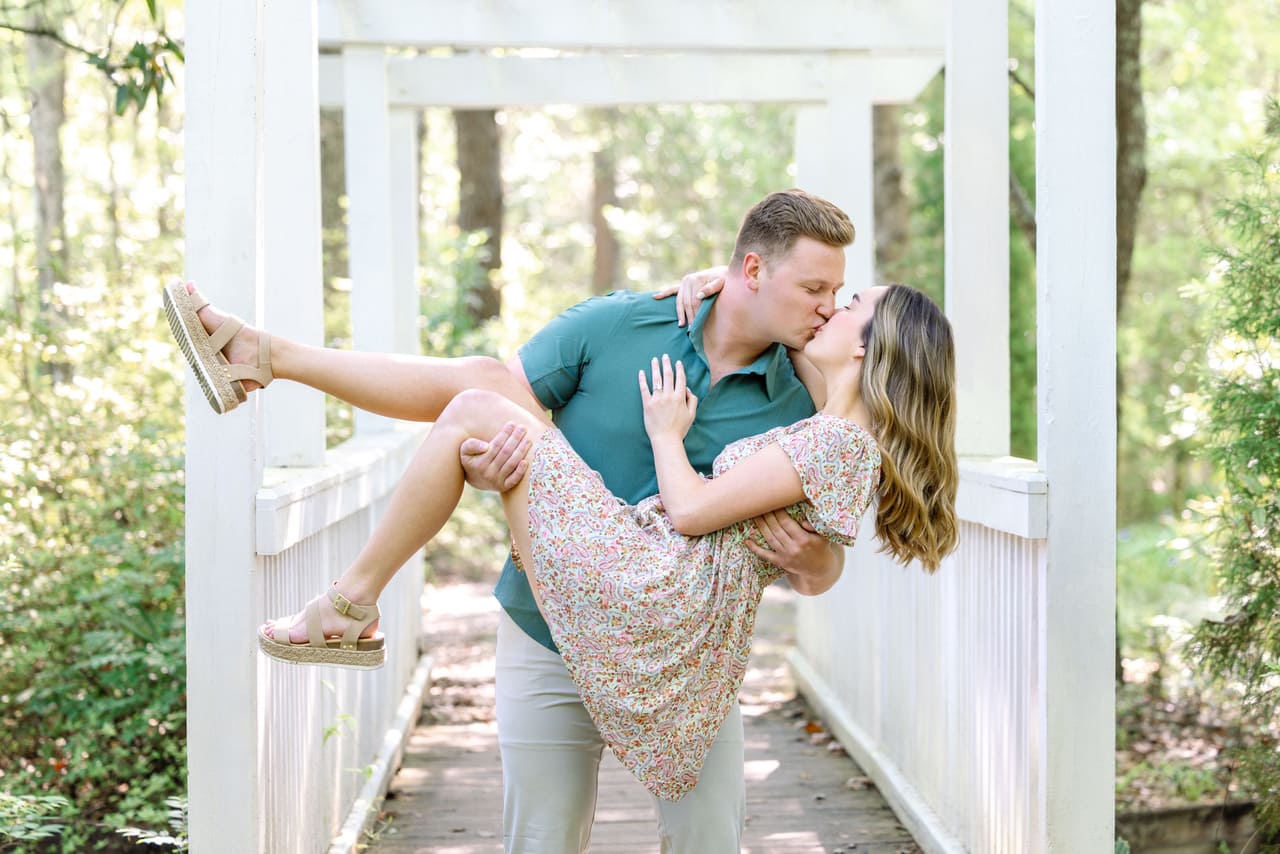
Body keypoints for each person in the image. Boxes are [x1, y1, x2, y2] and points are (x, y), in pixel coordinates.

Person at [165, 189, 956, 850]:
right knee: (479, 393)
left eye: (842, 299)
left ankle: (335, 564)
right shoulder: (624, 324)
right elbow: (490, 425)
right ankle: (269, 363)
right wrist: (485, 470)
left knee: (710, 838)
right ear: (750, 269)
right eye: (819, 289)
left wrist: (807, 556)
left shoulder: (812, 391)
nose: (829, 308)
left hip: (675, 631)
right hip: (558, 619)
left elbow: (814, 536)